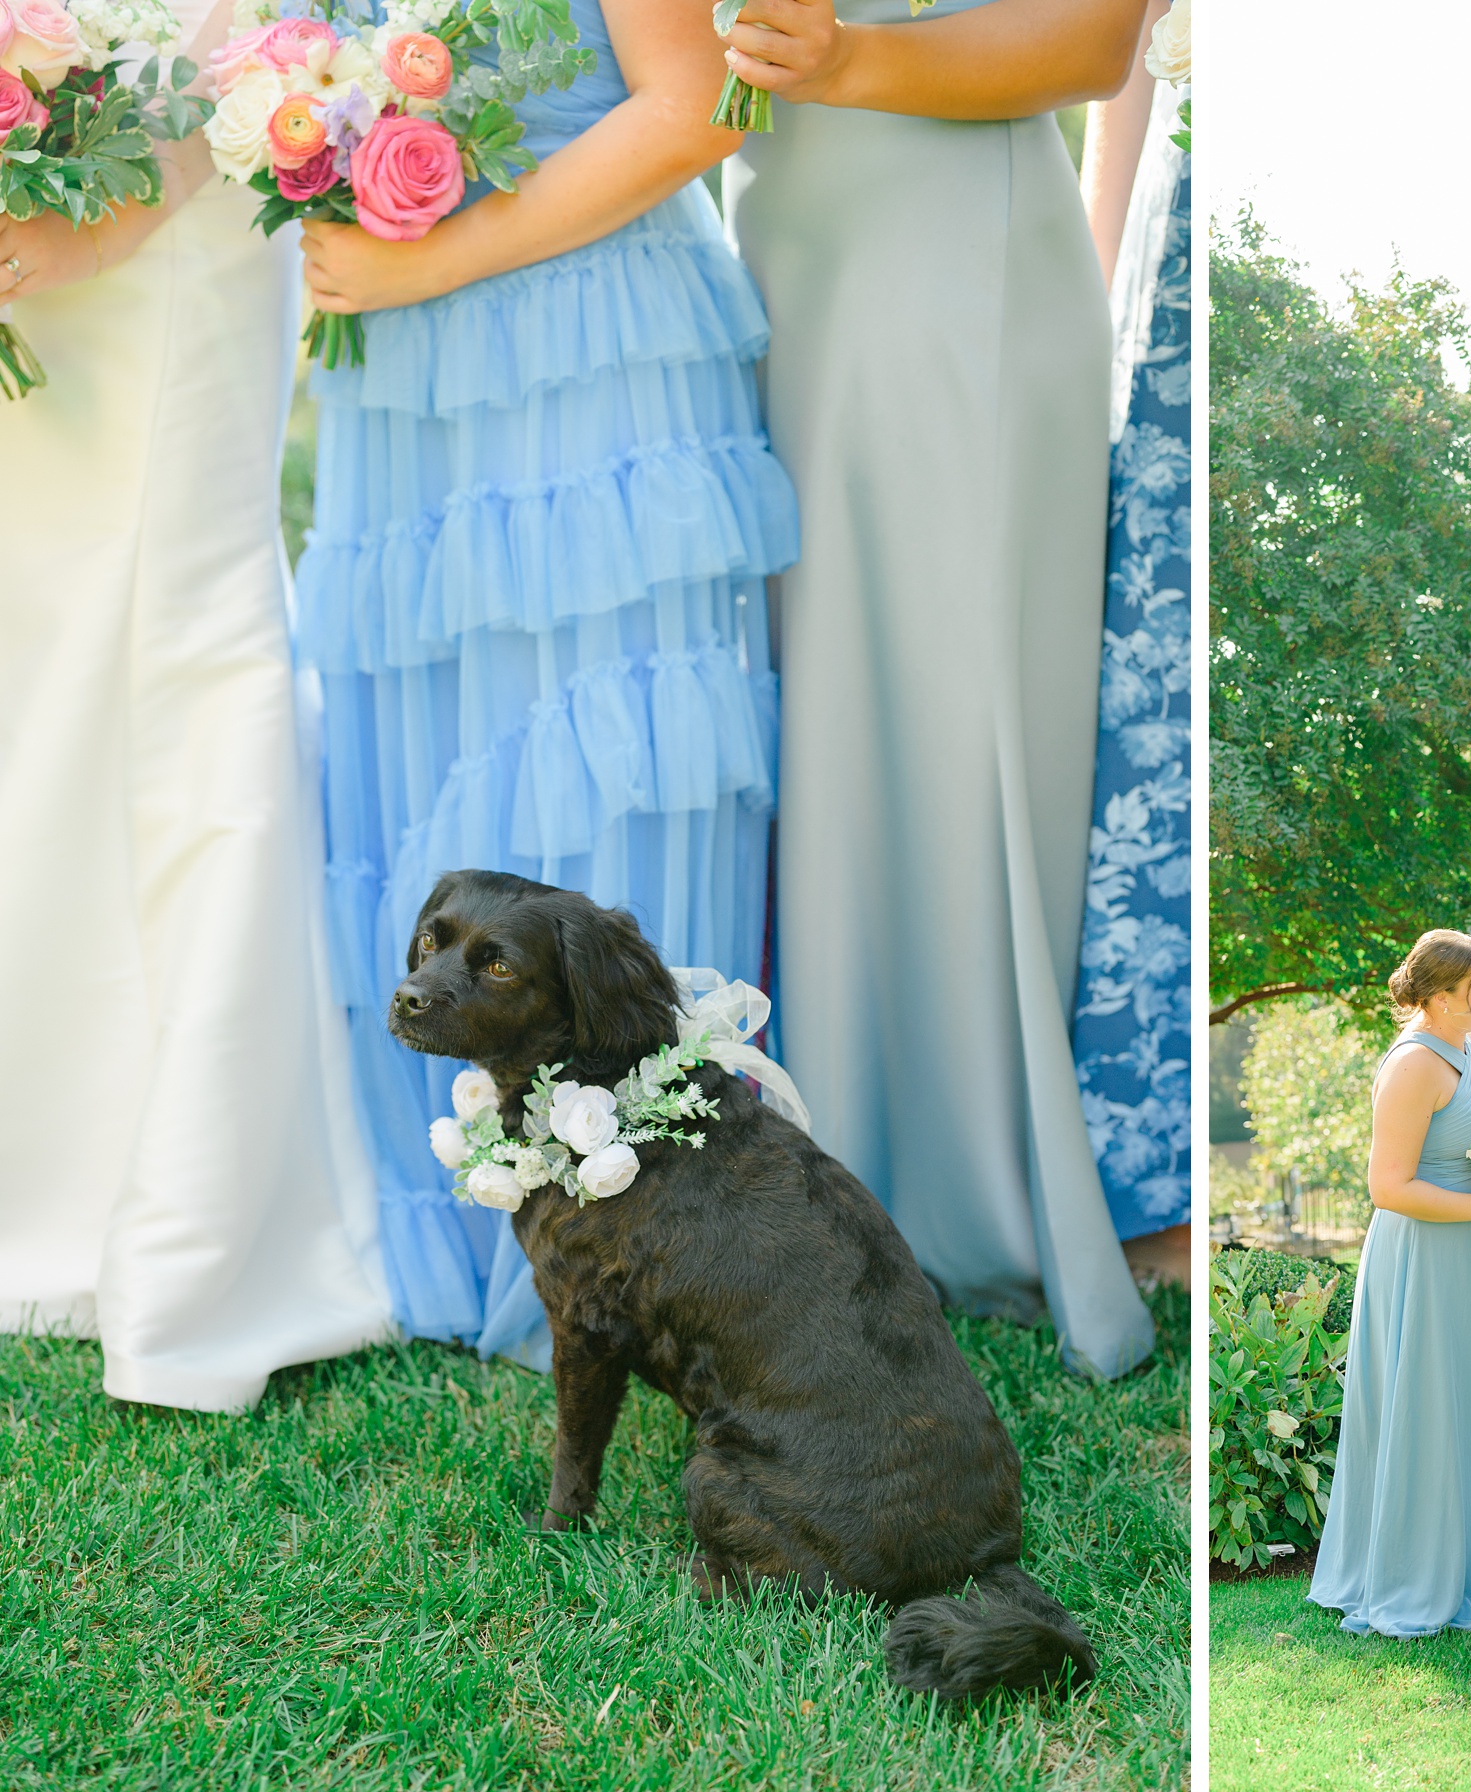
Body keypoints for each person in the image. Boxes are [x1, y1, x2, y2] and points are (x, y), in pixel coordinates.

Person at [293, 0, 800, 1361]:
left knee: (599, 780)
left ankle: (637, 1232)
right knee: (422, 762)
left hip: (587, 344)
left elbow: (704, 98)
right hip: (409, 374)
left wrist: (440, 257)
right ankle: (460, 1207)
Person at [717, 0, 1158, 1376]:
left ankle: (959, 1181)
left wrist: (850, 60)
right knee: (817, 705)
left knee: (957, 713)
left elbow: (1096, 40)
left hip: (960, 246)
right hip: (782, 231)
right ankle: (810, 1161)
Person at [0, 0, 389, 1408]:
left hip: (184, 227)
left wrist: (109, 219)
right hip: (36, 216)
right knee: (31, 653)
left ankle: (190, 1199)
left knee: (178, 632)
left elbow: (270, 38)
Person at [1068, 0, 1193, 1278]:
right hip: (1173, 254)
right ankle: (1134, 1173)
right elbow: (1122, 67)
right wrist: (1088, 298)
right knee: (1143, 709)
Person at [1309, 930, 1471, 1636]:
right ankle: (1414, 1574)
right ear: (1440, 998)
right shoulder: (1413, 1065)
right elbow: (1388, 1187)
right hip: (1427, 1260)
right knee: (1429, 1407)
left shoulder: (1470, 1047)